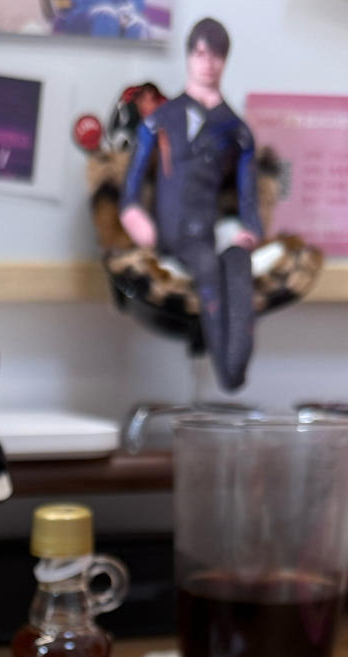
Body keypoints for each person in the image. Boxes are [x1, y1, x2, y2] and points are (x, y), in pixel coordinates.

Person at [119, 17, 261, 391]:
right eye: (200, 53)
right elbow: (132, 181)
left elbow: (248, 189)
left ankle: (234, 371)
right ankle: (228, 374)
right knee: (207, 267)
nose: (208, 63)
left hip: (210, 226)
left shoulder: (235, 128)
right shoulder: (161, 120)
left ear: (225, 61)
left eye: (217, 55)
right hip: (174, 230)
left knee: (237, 266)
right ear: (189, 57)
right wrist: (133, 214)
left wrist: (250, 229)